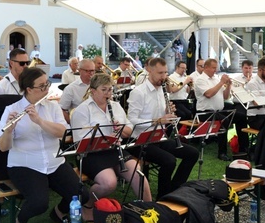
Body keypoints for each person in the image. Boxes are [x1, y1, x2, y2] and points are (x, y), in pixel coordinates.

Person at [0, 67, 89, 223]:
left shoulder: (53, 106)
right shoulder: (12, 109)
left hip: (54, 161)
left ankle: (58, 213)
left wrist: (39, 120)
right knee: (39, 203)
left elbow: (63, 132)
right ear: (29, 89)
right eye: (42, 85)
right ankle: (20, 222)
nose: (47, 88)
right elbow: (3, 147)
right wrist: (9, 130)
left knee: (81, 195)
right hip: (25, 164)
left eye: (47, 83)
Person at [71, 73, 152, 203]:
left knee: (138, 174)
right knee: (109, 183)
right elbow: (79, 142)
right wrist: (105, 138)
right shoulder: (83, 110)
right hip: (91, 154)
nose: (108, 94)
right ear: (93, 91)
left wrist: (121, 128)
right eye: (104, 90)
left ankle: (149, 207)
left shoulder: (116, 106)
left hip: (114, 150)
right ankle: (88, 204)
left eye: (110, 90)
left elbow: (129, 131)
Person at [127, 57, 199, 200]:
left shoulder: (161, 90)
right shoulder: (138, 92)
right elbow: (132, 121)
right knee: (169, 161)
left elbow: (161, 115)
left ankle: (175, 188)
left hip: (158, 137)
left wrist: (168, 111)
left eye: (165, 73)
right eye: (160, 73)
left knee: (192, 153)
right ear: (150, 71)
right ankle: (163, 196)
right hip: (140, 140)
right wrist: (157, 121)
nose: (164, 77)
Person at [194, 58, 233, 161]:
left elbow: (225, 97)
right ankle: (222, 152)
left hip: (217, 111)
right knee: (225, 120)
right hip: (205, 112)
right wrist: (221, 83)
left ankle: (240, 147)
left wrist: (228, 85)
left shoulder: (215, 79)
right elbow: (209, 94)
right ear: (206, 67)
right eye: (213, 68)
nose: (215, 70)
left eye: (216, 68)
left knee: (237, 115)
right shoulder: (200, 79)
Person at [59, 59, 96, 124]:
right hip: (80, 124)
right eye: (88, 71)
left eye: (93, 70)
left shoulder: (98, 85)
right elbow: (62, 110)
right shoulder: (70, 89)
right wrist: (72, 123)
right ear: (80, 71)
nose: (91, 73)